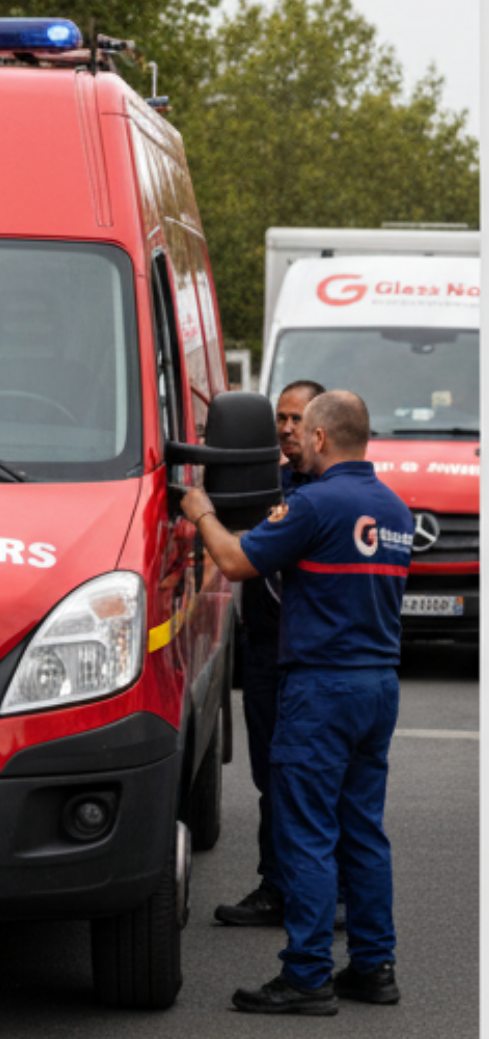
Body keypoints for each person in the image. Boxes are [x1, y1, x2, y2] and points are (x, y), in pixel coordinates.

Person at [182, 391, 413, 1016]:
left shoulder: (313, 503)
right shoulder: (394, 509)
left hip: (322, 688)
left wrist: (202, 512)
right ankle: (374, 966)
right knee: (363, 831)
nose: (295, 441)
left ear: (320, 438)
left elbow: (235, 561)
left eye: (301, 430)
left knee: (307, 831)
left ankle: (307, 975)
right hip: (377, 685)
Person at [215, 379, 324, 927]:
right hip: (264, 651)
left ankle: (330, 893)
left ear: (321, 427)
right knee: (272, 777)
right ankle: (276, 888)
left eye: (296, 419)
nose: (285, 428)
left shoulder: (331, 494)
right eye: (280, 418)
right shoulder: (264, 486)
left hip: (314, 658)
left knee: (320, 779)